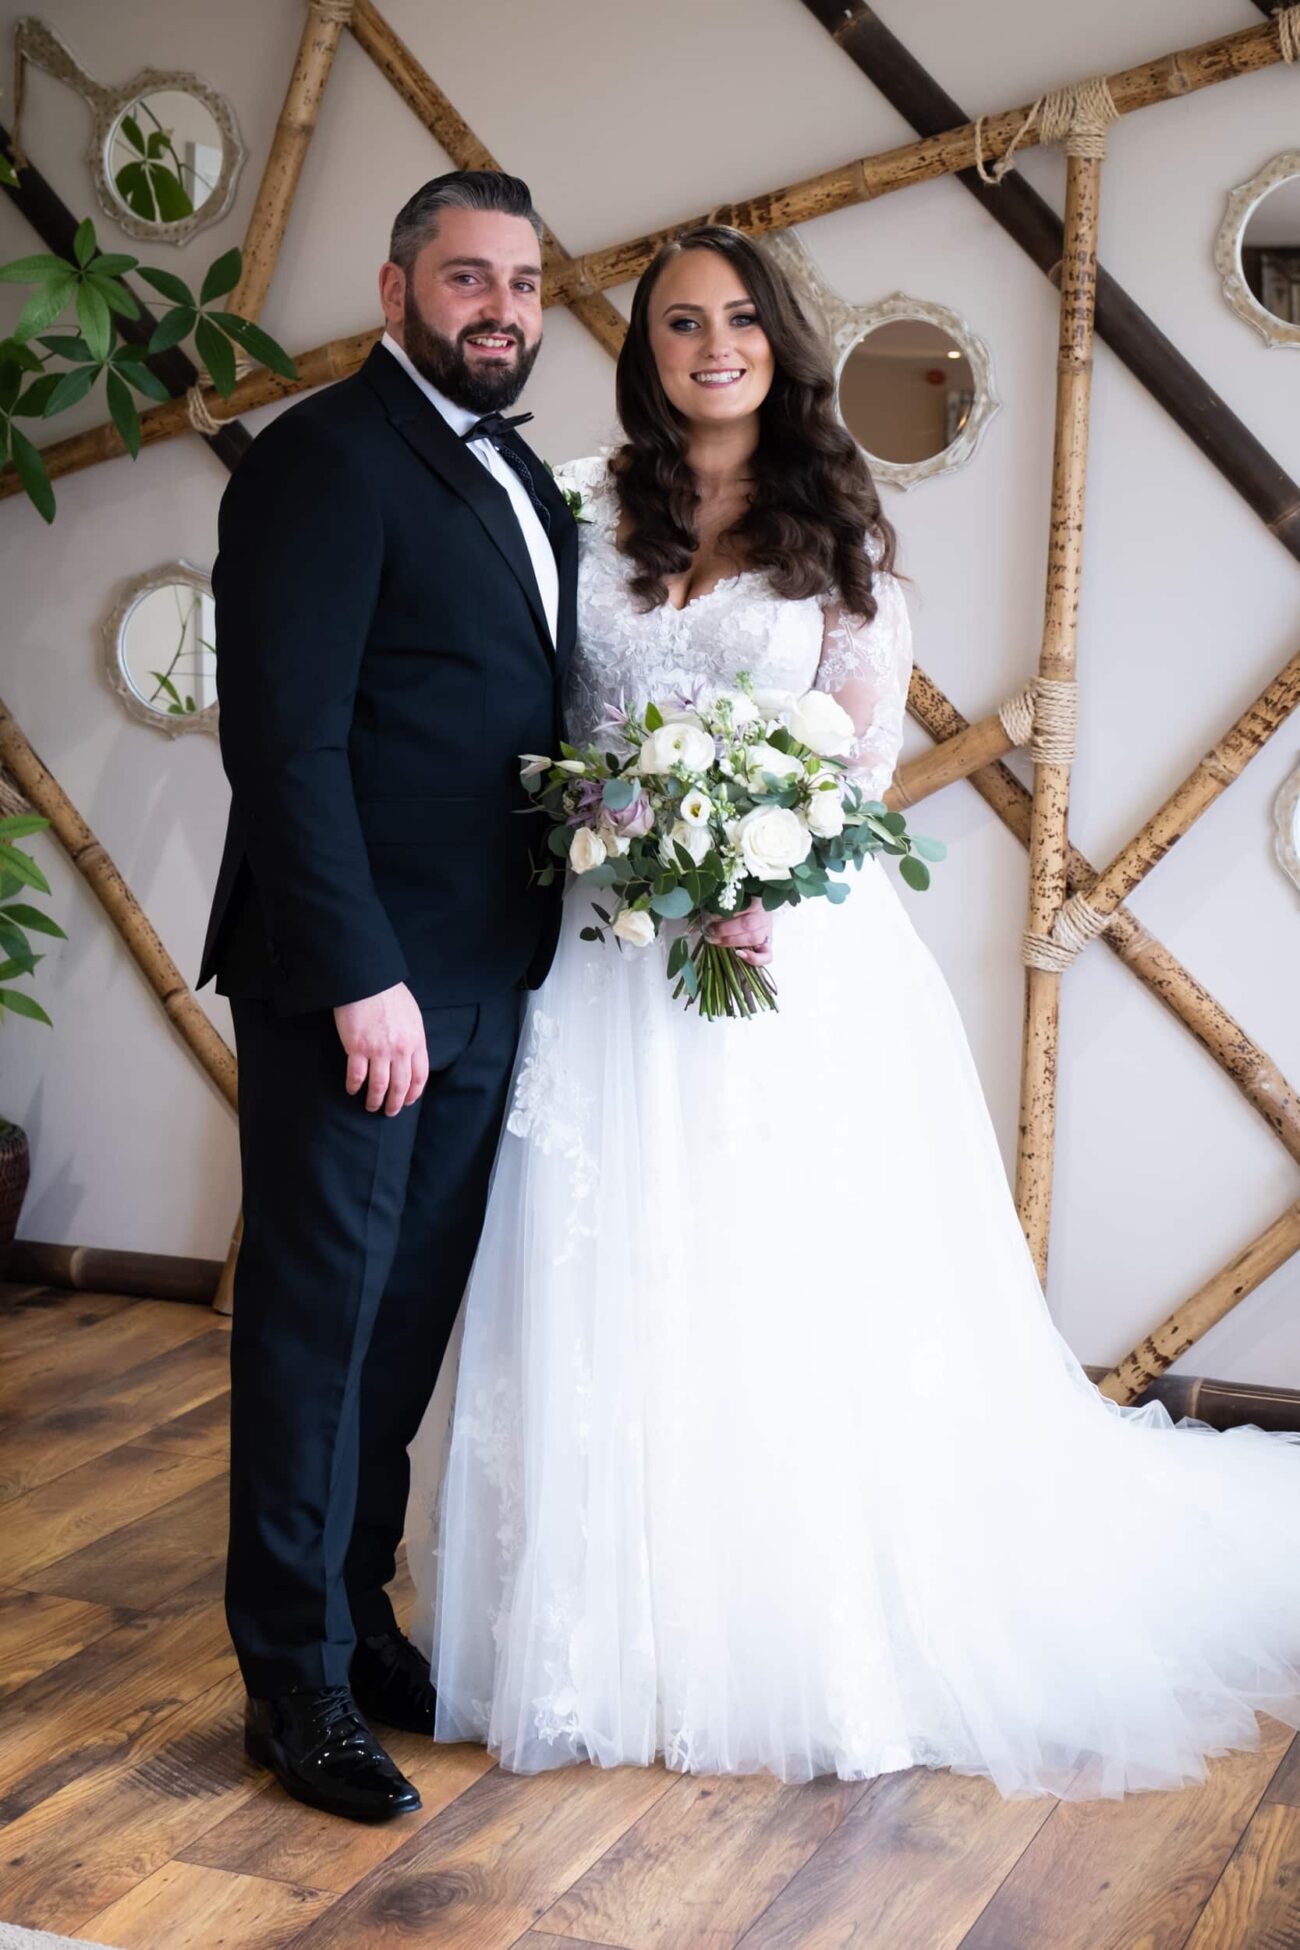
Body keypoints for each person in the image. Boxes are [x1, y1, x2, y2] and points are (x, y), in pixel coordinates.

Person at [411, 223, 1300, 1801]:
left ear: (781, 339)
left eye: (740, 318)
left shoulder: (839, 528)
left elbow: (855, 757)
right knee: (606, 1258)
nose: (711, 345)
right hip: (605, 951)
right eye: (681, 322)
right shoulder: (590, 509)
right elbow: (539, 714)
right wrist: (623, 835)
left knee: (780, 1275)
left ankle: (785, 1618)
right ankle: (608, 1620)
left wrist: (759, 867)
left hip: (779, 955)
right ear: (647, 350)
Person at [198, 174, 773, 1823]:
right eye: (466, 278)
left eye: (522, 280)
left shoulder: (523, 469)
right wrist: (363, 972)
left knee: (401, 1328)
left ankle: (353, 1614)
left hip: (489, 968)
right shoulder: (323, 457)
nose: (499, 307)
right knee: (319, 1324)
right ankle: (289, 1682)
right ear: (396, 291)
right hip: (360, 979)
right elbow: (285, 744)